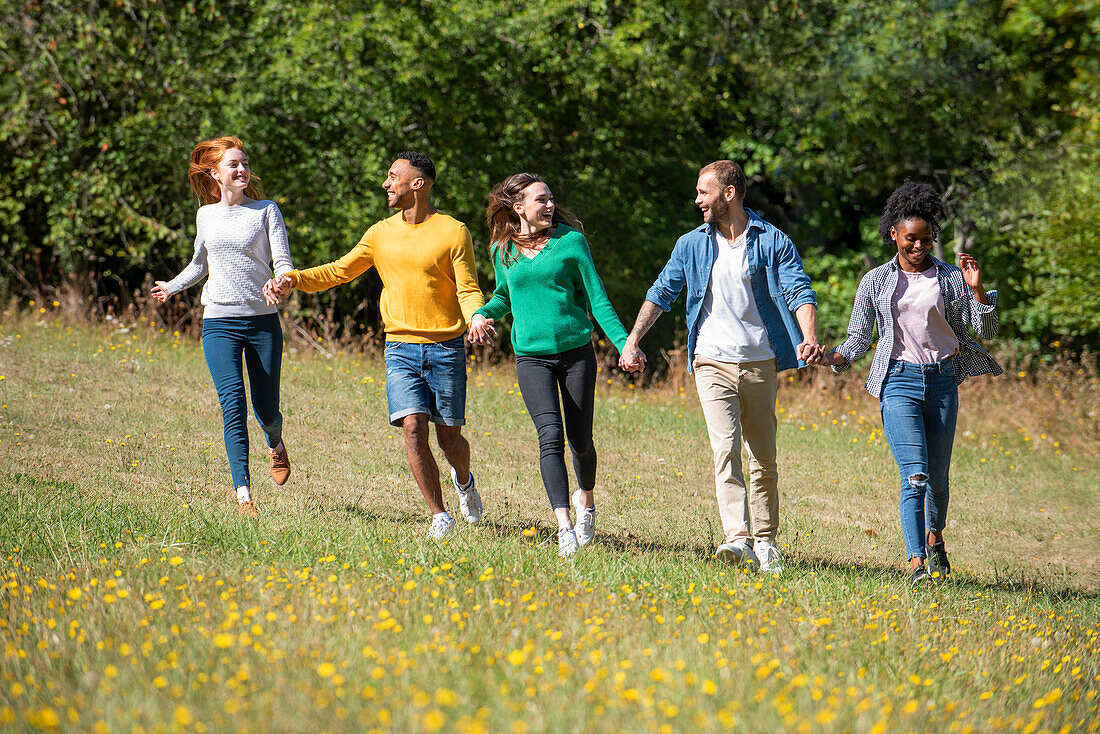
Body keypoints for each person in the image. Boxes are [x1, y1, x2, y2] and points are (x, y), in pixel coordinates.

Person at [265, 152, 484, 539]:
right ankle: (440, 516)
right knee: (413, 428)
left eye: (393, 176)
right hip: (400, 346)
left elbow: (467, 287)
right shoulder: (380, 233)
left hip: (445, 347)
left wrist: (477, 317)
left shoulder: (453, 231)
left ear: (417, 183)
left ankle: (464, 481)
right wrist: (293, 278)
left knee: (449, 438)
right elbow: (339, 271)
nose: (386, 183)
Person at [619, 160, 820, 574]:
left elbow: (799, 289)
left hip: (760, 360)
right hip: (710, 358)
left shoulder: (772, 241)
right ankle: (738, 539)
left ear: (728, 193)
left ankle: (766, 541)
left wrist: (809, 337)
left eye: (703, 192)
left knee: (763, 456)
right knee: (724, 449)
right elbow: (662, 291)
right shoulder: (691, 244)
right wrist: (634, 338)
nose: (697, 201)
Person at [818, 181, 1001, 587]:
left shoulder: (952, 279)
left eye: (926, 239)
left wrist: (977, 290)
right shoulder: (876, 282)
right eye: (910, 239)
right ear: (893, 236)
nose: (919, 246)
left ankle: (936, 541)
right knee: (915, 474)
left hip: (942, 382)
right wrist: (832, 357)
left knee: (938, 476)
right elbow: (859, 338)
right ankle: (916, 564)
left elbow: (985, 329)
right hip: (897, 380)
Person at [468, 173, 632, 558]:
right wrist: (481, 315)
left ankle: (586, 501)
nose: (549, 205)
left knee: (581, 440)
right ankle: (564, 528)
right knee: (550, 437)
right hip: (531, 357)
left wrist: (625, 346)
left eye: (551, 199)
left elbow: (599, 301)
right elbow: (502, 297)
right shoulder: (502, 250)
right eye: (540, 200)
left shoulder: (571, 243)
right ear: (518, 207)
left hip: (576, 353)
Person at [151, 136, 294, 517]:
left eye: (245, 163)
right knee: (232, 405)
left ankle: (276, 444)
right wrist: (172, 285)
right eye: (234, 164)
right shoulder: (206, 216)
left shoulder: (266, 210)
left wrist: (282, 281)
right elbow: (200, 263)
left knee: (266, 411)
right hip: (218, 321)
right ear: (216, 174)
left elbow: (282, 261)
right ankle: (243, 494)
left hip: (263, 322)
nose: (242, 169)